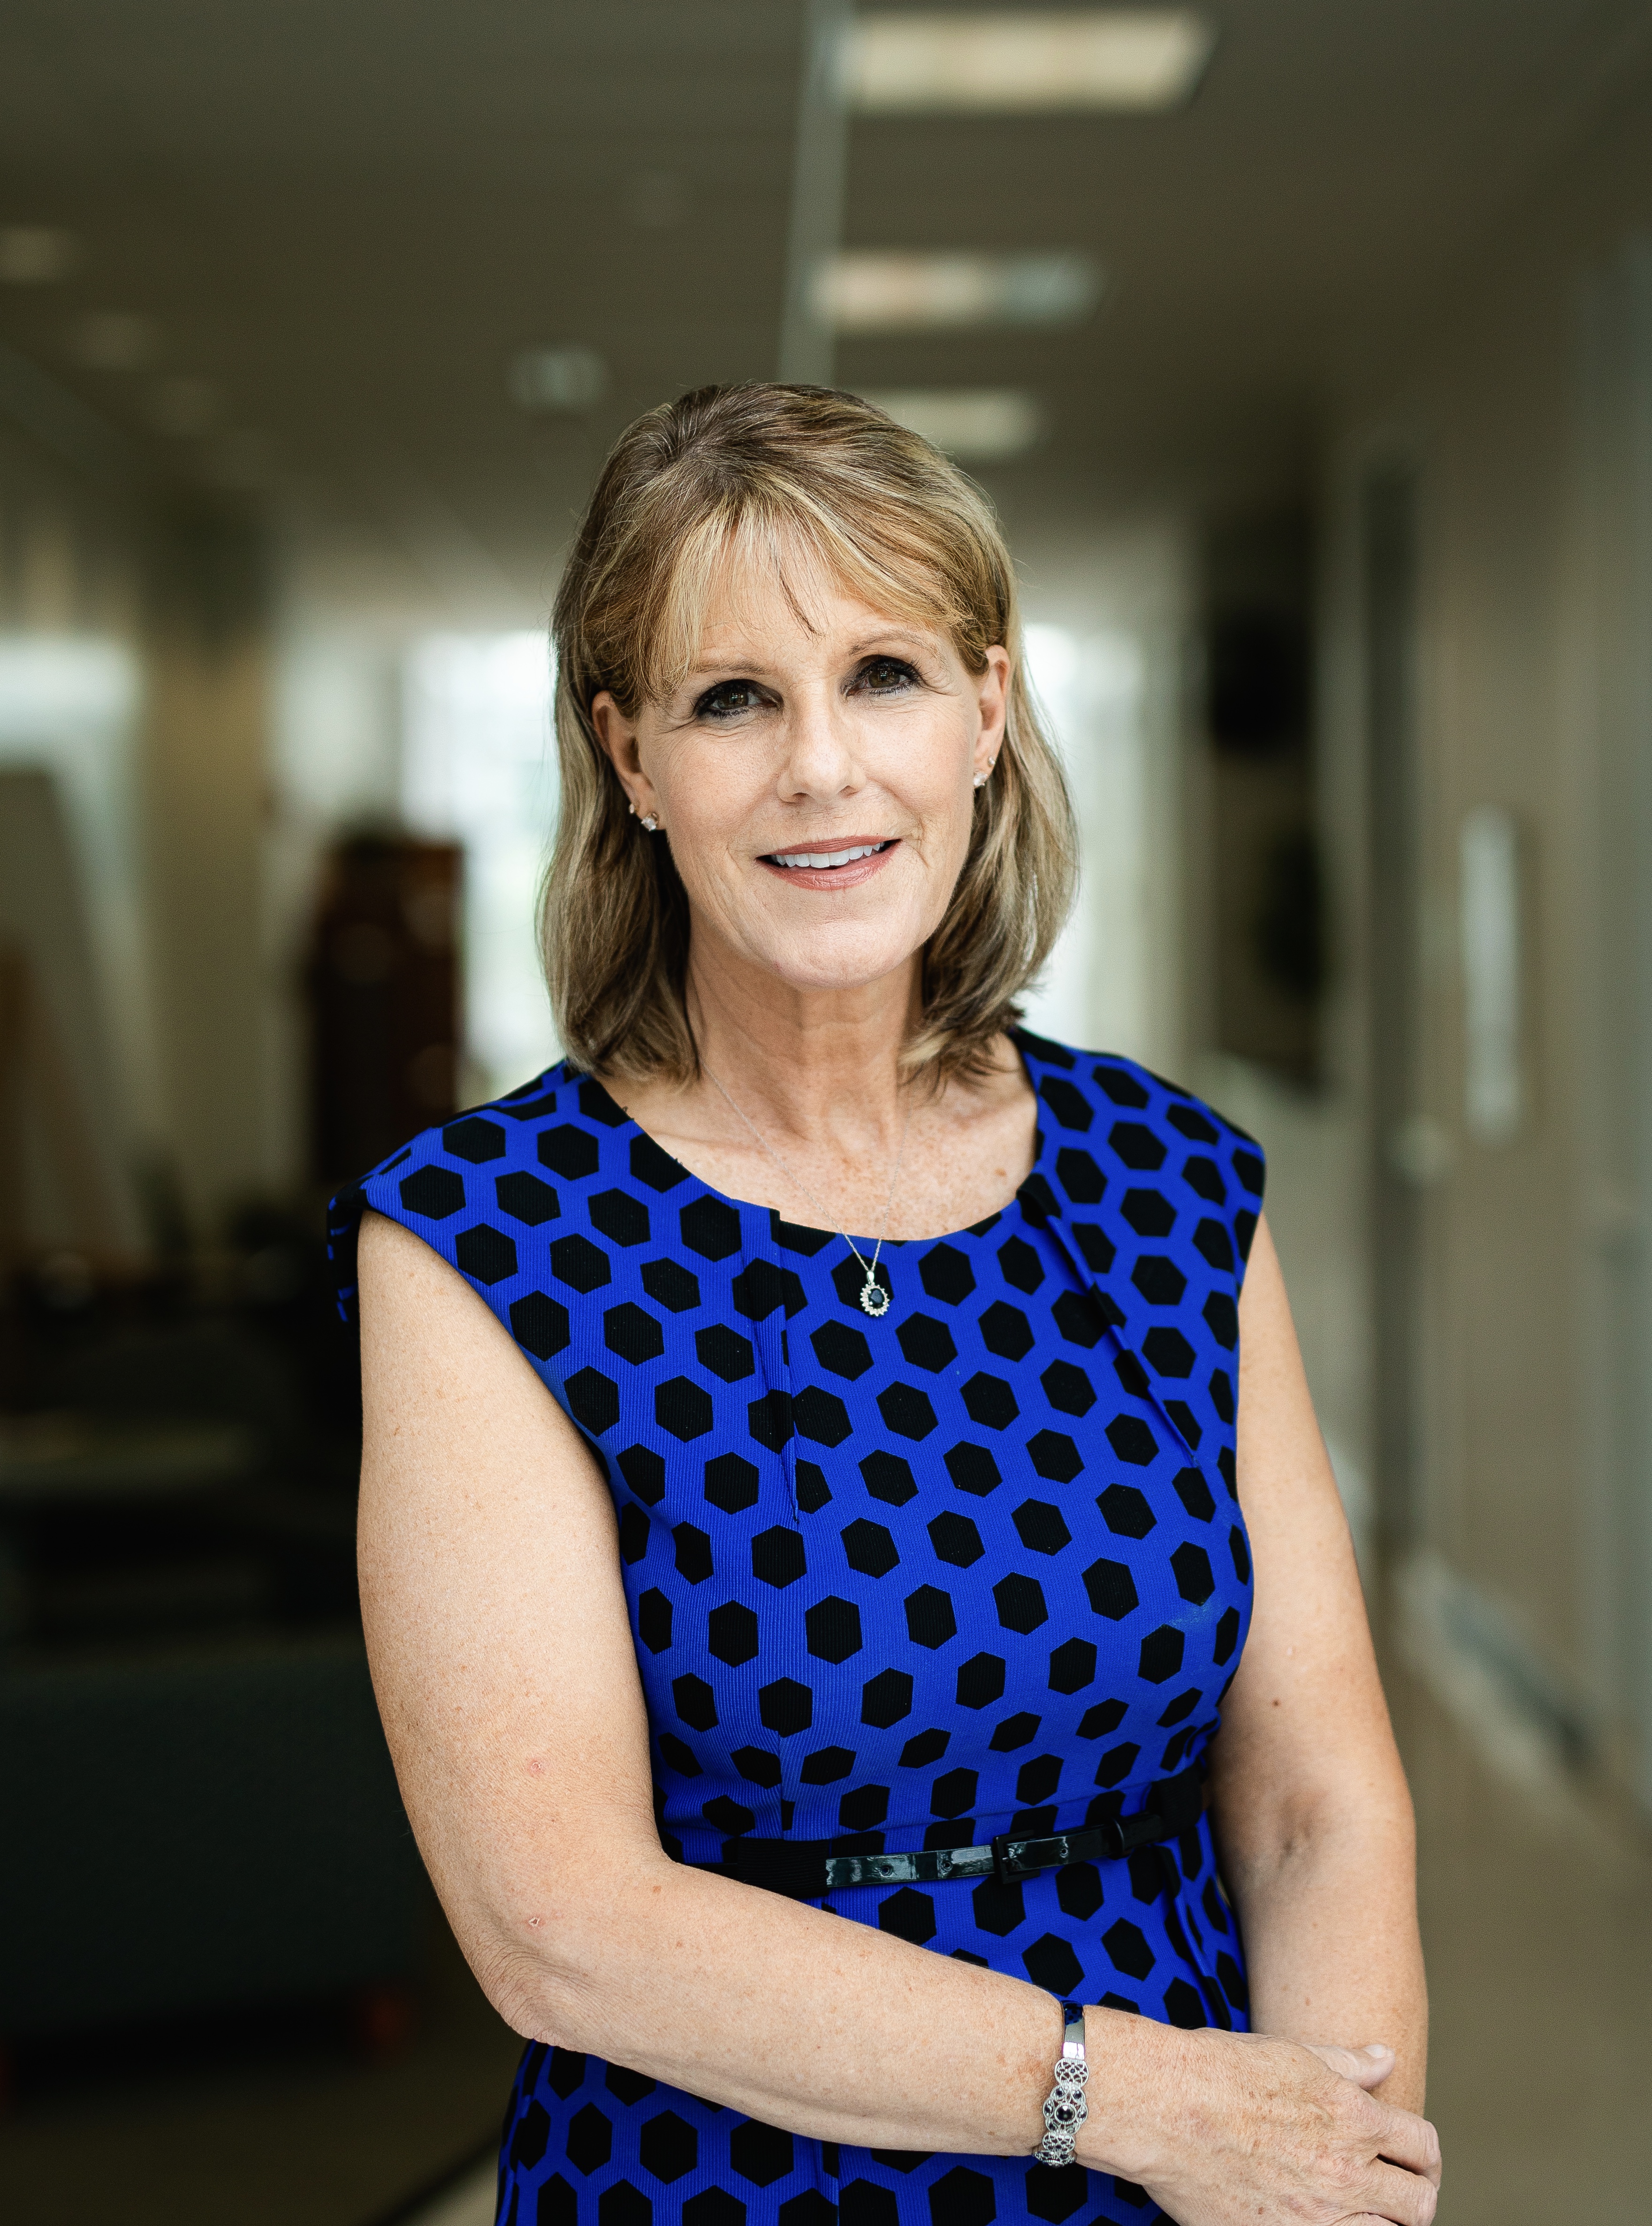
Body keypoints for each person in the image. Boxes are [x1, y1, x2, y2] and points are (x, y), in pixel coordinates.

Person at [333, 382, 1438, 2226]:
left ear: (986, 710)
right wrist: (1141, 2100)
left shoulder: (1169, 1188)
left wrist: (1334, 2168)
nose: (820, 769)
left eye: (884, 677)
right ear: (626, 758)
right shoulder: (481, 1238)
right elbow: (562, 1926)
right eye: (733, 698)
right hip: (724, 2185)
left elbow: (1318, 1801)